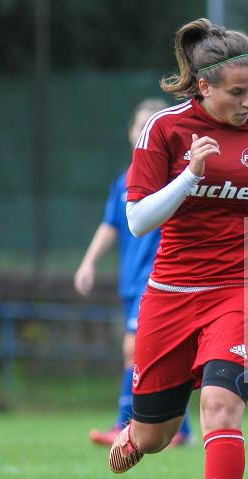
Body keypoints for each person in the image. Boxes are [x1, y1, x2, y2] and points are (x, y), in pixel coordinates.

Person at [108, 18, 248, 479]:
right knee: (157, 436)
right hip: (170, 292)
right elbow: (140, 220)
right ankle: (136, 433)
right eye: (238, 92)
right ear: (203, 87)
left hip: (245, 286)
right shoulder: (164, 131)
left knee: (220, 406)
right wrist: (190, 174)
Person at [75, 98, 192, 447]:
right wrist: (88, 261)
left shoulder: (174, 175)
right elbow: (111, 224)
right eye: (140, 127)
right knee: (152, 353)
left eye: (151, 127)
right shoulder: (123, 180)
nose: (144, 133)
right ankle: (180, 430)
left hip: (158, 277)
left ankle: (124, 424)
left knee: (134, 348)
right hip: (131, 280)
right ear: (131, 133)